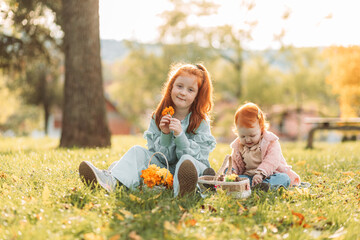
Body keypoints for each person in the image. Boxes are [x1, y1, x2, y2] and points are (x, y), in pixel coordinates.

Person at [78, 63, 216, 197]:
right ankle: (110, 182)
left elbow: (199, 156)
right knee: (137, 151)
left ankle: (185, 190)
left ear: (197, 96)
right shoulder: (159, 116)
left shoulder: (200, 121)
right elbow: (162, 157)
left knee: (186, 160)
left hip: (191, 169)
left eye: (190, 90)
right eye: (179, 86)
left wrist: (180, 136)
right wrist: (165, 134)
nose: (183, 92)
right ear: (171, 87)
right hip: (166, 170)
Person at [228, 102, 300, 191]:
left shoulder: (270, 141)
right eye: (243, 136)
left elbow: (272, 160)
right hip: (249, 177)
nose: (247, 139)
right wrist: (232, 170)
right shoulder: (239, 146)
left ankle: (265, 185)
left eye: (252, 136)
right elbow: (234, 161)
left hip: (270, 175)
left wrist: (260, 174)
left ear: (261, 128)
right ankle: (247, 185)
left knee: (284, 178)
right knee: (239, 178)